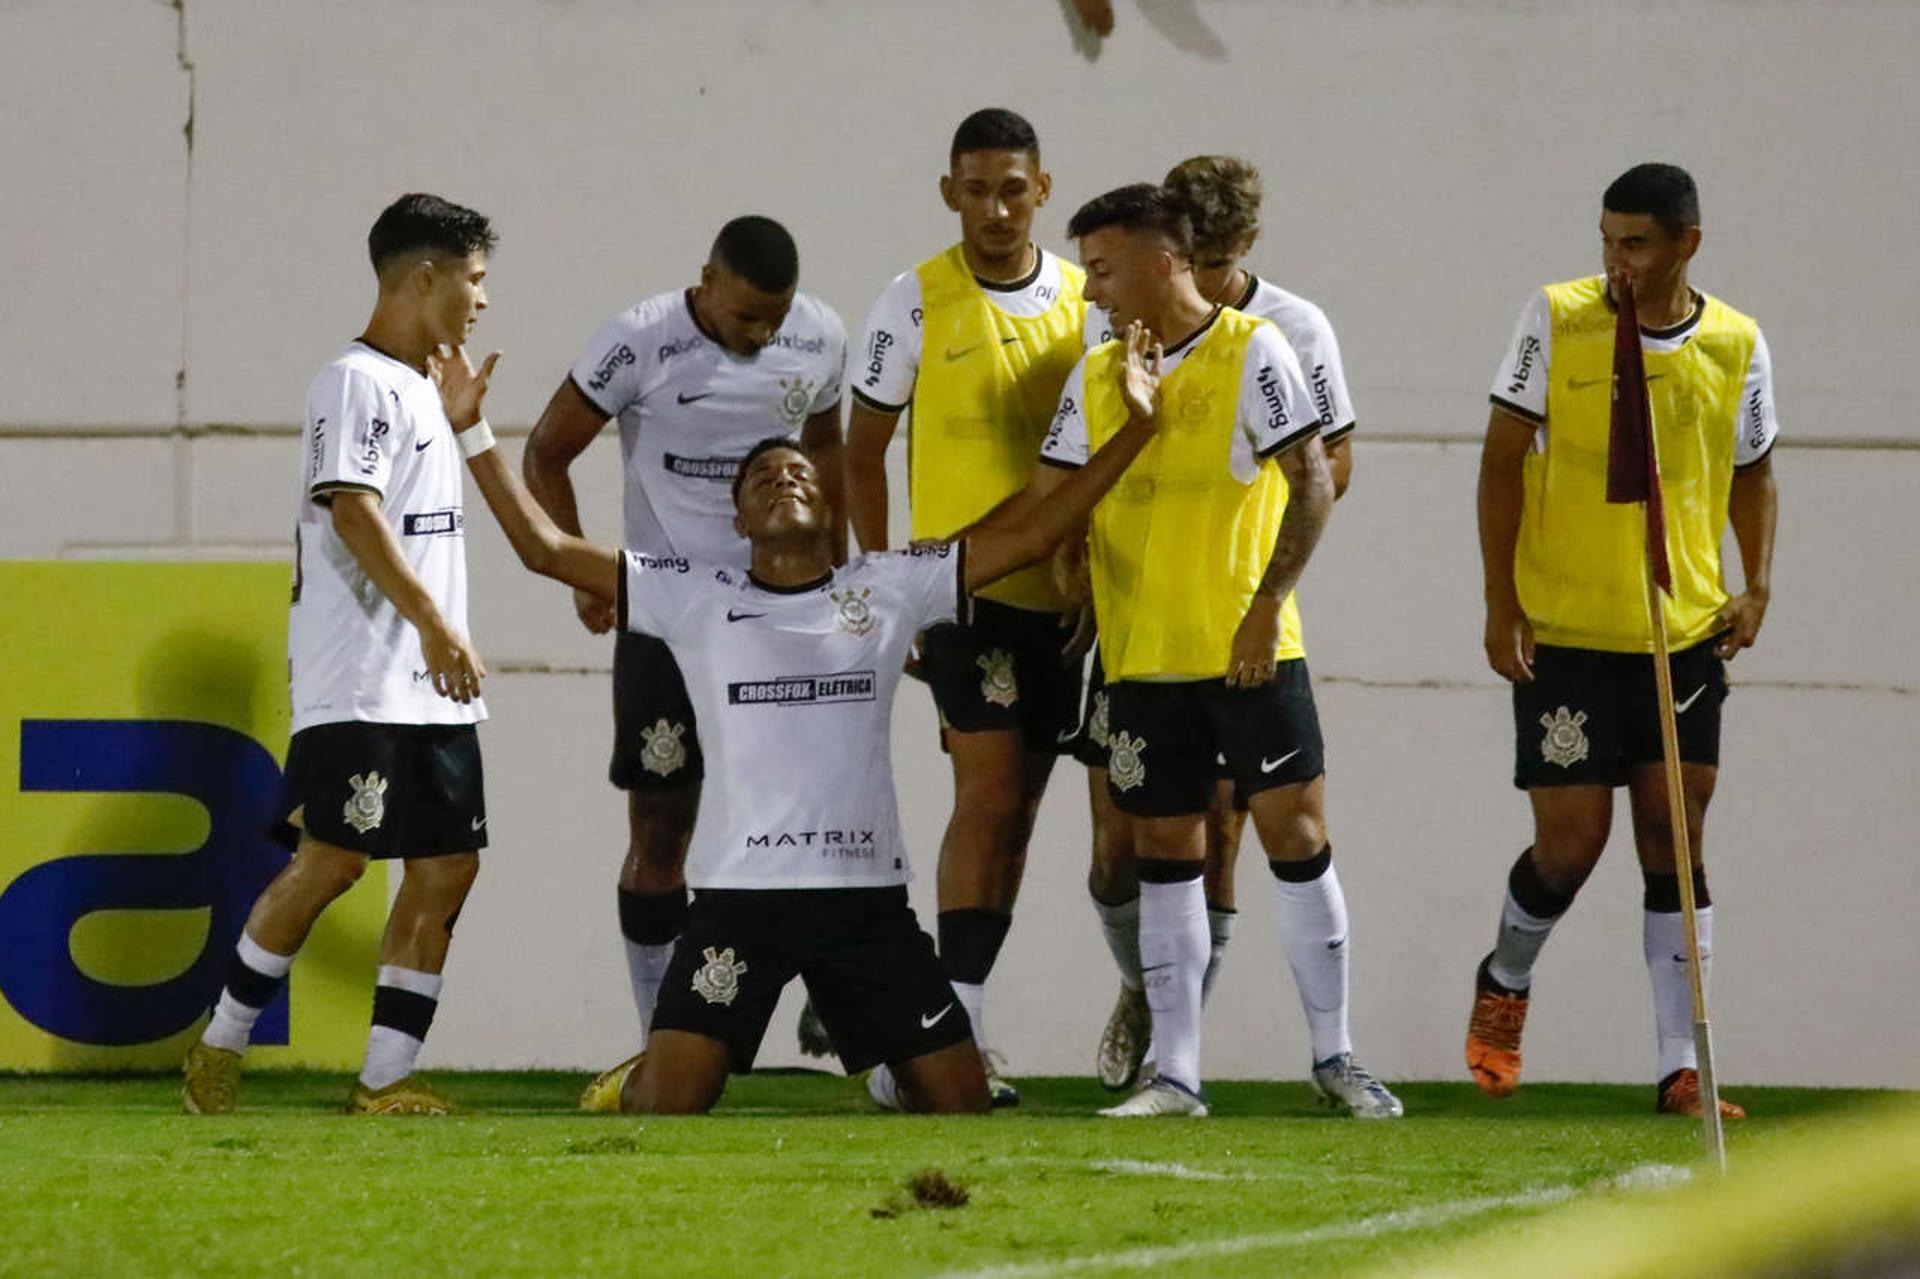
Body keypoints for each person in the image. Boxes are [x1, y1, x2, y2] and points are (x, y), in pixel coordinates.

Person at [437, 322, 1168, 1114]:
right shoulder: (693, 595)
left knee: (960, 1103)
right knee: (670, 1105)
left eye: (801, 474)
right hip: (739, 899)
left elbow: (1034, 532)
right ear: (740, 521)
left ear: (830, 507)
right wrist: (470, 427)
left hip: (863, 900)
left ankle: (893, 1065)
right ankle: (635, 1076)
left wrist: (1138, 429)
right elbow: (544, 547)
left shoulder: (889, 587)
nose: (785, 481)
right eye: (763, 480)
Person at [1024, 183, 1402, 1118]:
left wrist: (1268, 604)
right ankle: (1178, 1075)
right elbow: (1054, 492)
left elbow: (1312, 480)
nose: (1091, 291)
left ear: (1162, 263)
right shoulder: (1097, 372)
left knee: (1296, 838)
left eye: (1103, 270)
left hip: (1246, 648)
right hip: (1142, 657)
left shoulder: (1254, 349)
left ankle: (1337, 1056)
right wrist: (1069, 559)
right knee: (1165, 850)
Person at [1467, 162, 1776, 1119]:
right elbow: (1502, 458)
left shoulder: (1735, 341)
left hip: (1680, 632)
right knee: (1570, 844)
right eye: (1607, 239)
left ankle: (1684, 1067)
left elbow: (1753, 470)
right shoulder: (1557, 318)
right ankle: (1506, 974)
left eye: (1636, 243)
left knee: (1674, 837)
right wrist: (1500, 601)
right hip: (1567, 631)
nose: (1617, 261)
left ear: (1687, 242)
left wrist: (1754, 581)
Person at [182, 194, 499, 1115]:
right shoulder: (353, 380)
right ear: (425, 277)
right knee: (335, 860)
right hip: (363, 676)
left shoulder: (421, 391)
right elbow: (353, 510)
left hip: (432, 686)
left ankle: (384, 1081)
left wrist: (463, 420)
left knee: (447, 866)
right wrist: (439, 626)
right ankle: (218, 1047)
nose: (482, 302)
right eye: (474, 282)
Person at [521, 217, 846, 1067]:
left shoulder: (820, 337)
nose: (761, 334)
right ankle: (657, 1031)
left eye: (773, 319)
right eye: (745, 317)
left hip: (781, 613)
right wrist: (585, 574)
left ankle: (843, 986)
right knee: (663, 827)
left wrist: (840, 576)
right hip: (667, 617)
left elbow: (831, 454)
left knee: (814, 812)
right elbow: (546, 453)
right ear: (705, 281)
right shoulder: (639, 340)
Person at [841, 107, 1090, 1105]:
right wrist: (886, 584)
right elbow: (861, 448)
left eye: (1014, 189)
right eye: (977, 189)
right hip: (967, 596)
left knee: (1023, 810)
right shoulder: (914, 301)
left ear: (1044, 188)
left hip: (1066, 599)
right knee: (984, 798)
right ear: (950, 191)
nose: (995, 208)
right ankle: (946, 1041)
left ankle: (962, 1022)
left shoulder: (1083, 299)